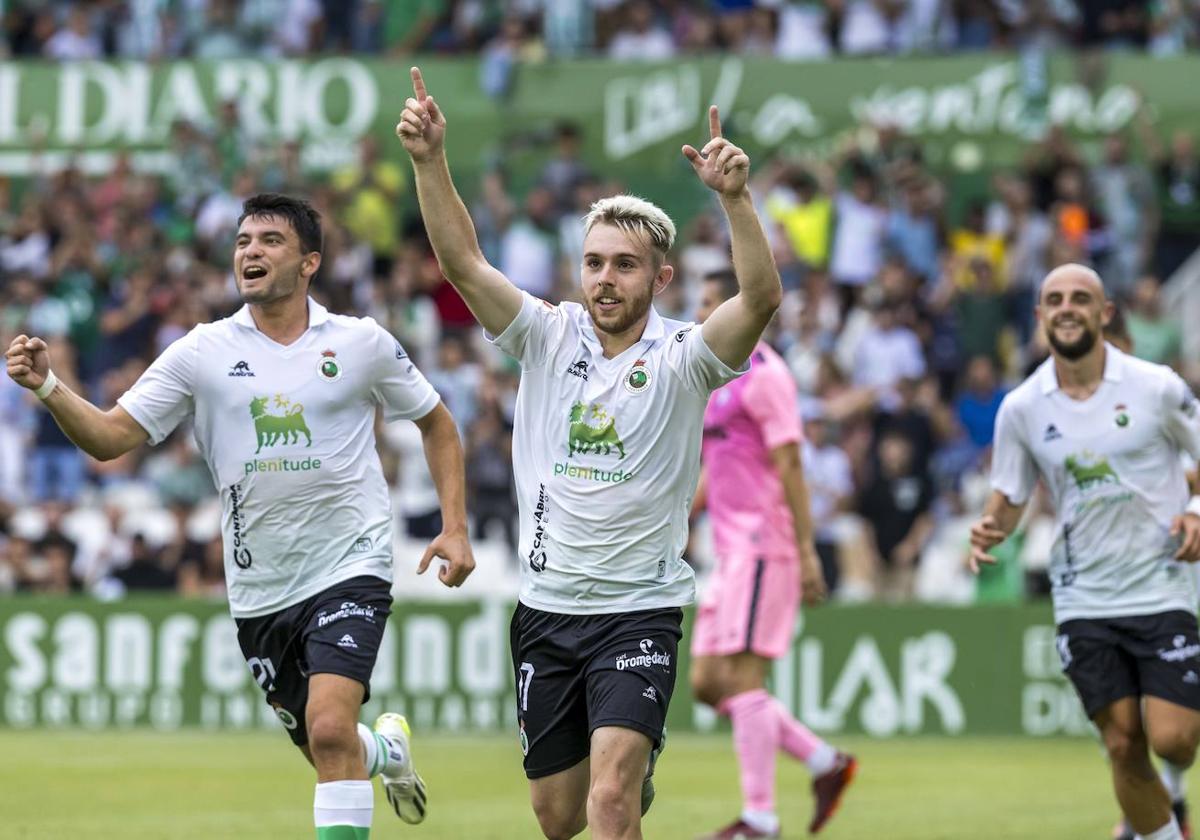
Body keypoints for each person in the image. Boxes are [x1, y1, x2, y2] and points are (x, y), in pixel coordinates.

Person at [5, 193, 476, 840]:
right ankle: (386, 752)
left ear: (309, 262)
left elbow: (437, 422)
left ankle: (365, 748)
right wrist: (49, 388)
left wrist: (455, 525)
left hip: (350, 565)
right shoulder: (202, 351)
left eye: (270, 241)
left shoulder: (360, 342)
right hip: (260, 590)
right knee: (330, 749)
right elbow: (112, 437)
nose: (250, 251)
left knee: (332, 727)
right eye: (243, 241)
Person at [396, 66, 781, 840]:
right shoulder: (548, 334)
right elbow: (463, 265)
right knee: (558, 817)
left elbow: (761, 299)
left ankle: (629, 766)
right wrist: (430, 162)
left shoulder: (686, 355)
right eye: (596, 263)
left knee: (609, 802)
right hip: (546, 611)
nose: (606, 279)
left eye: (625, 265)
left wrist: (735, 201)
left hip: (639, 611)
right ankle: (628, 772)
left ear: (661, 278)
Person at [968, 263, 1200, 840]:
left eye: (1080, 298)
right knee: (1122, 744)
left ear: (1105, 313)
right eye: (1054, 299)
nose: (1067, 307)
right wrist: (992, 526)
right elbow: (1011, 495)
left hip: (1161, 583)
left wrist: (1195, 514)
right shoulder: (1021, 407)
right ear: (1040, 315)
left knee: (1175, 740)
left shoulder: (1157, 386)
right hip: (1083, 597)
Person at [689, 269, 857, 839]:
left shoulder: (768, 377)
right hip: (730, 549)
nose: (702, 315)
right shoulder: (716, 377)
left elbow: (789, 465)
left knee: (740, 679)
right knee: (709, 683)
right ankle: (823, 761)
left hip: (765, 545)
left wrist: (807, 551)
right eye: (703, 304)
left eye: (713, 304)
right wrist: (681, 520)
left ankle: (760, 818)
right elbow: (719, 464)